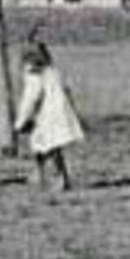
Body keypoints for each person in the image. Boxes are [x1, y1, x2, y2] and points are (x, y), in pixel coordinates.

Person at [13, 32, 84, 191]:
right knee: (39, 145)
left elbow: (31, 99)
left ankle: (61, 177)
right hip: (54, 113)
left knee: (51, 147)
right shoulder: (51, 71)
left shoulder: (34, 75)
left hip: (49, 116)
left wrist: (19, 122)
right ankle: (39, 173)